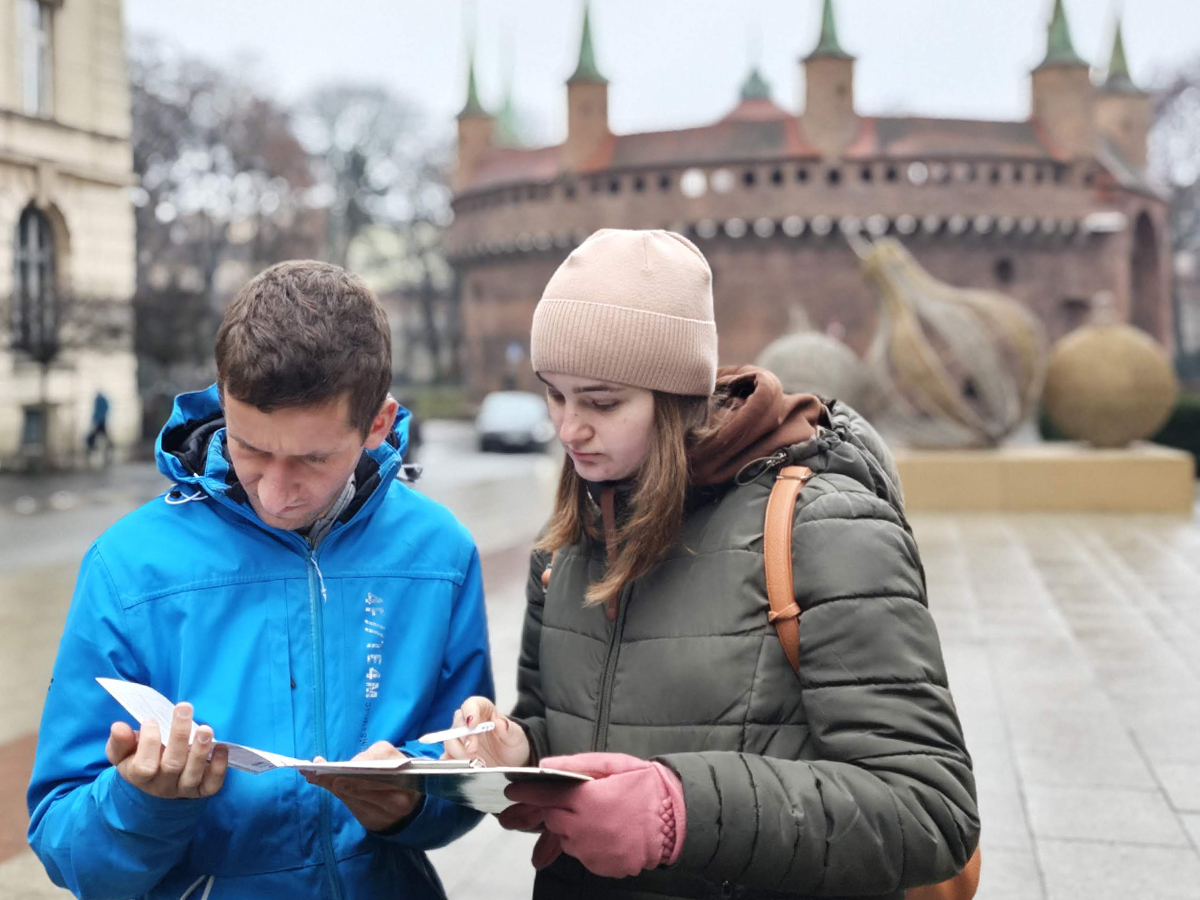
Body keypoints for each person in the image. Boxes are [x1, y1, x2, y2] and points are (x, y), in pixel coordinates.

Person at [446, 229, 979, 899]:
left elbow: (930, 809)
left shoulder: (824, 528)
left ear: (676, 396)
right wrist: (521, 750)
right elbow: (574, 723)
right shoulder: (567, 541)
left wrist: (680, 813)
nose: (568, 427)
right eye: (555, 394)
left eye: (602, 402)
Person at [28, 261, 494, 900]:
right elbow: (63, 845)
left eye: (312, 458)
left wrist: (413, 803)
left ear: (378, 424)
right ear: (223, 402)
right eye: (249, 448)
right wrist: (140, 802)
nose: (276, 493)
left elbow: (467, 776)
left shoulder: (441, 553)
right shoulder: (127, 567)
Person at [84, 390, 111, 464]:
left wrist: (95, 419)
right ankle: (107, 448)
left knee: (96, 435)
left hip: (99, 421)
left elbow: (97, 411)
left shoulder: (99, 400)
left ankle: (92, 447)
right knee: (103, 435)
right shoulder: (103, 400)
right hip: (101, 420)